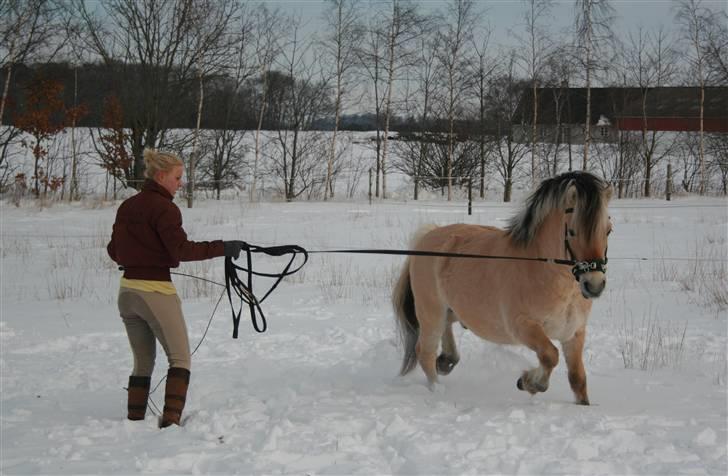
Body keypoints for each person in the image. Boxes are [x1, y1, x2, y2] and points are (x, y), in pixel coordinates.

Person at [107, 148, 244, 428]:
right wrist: (224, 248)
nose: (181, 183)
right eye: (178, 177)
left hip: (127, 294)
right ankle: (170, 424)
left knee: (143, 362)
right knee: (180, 358)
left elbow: (113, 250)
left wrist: (141, 256)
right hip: (155, 293)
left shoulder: (127, 206)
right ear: (161, 176)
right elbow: (181, 249)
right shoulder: (165, 208)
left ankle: (134, 421)